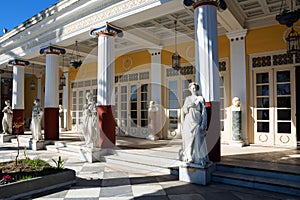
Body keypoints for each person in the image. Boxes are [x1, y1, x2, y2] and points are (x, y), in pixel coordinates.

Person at [181, 82, 209, 166]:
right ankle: (189, 156)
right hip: (189, 121)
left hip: (197, 121)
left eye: (195, 88)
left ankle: (200, 157)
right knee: (188, 140)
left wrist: (204, 123)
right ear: (189, 89)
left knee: (199, 140)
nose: (194, 90)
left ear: (197, 89)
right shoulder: (188, 98)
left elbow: (204, 111)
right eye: (192, 88)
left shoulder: (200, 98)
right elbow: (184, 110)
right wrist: (191, 104)